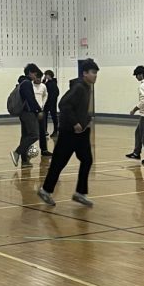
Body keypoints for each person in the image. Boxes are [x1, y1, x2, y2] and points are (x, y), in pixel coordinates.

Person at [37, 60, 98, 207]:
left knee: (87, 160)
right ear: (85, 73)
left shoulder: (87, 87)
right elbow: (63, 104)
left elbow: (81, 108)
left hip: (82, 132)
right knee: (59, 161)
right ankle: (45, 190)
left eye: (96, 73)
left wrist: (86, 120)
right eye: (93, 73)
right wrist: (75, 122)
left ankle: (80, 193)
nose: (95, 76)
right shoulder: (78, 87)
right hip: (69, 132)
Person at [11, 64, 43, 167]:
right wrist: (39, 110)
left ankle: (24, 161)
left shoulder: (22, 82)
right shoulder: (27, 83)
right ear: (30, 72)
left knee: (25, 136)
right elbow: (30, 99)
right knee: (34, 135)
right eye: (35, 74)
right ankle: (17, 152)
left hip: (23, 113)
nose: (35, 77)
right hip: (28, 113)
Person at [32, 70, 50, 160]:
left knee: (42, 131)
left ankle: (44, 150)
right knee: (31, 132)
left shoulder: (43, 86)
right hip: (31, 112)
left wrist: (42, 104)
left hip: (40, 111)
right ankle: (28, 150)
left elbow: (45, 95)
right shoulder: (30, 86)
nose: (38, 80)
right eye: (37, 78)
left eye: (40, 78)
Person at [42, 70, 60, 137]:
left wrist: (52, 101)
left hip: (51, 103)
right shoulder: (47, 83)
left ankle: (55, 131)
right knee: (45, 116)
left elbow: (56, 93)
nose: (45, 76)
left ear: (49, 75)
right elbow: (42, 87)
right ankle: (45, 130)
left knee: (54, 117)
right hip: (47, 103)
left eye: (46, 75)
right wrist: (43, 80)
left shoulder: (53, 83)